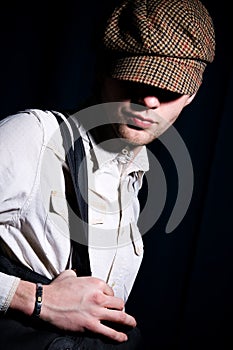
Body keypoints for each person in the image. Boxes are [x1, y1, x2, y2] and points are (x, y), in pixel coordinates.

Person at [0, 0, 215, 349]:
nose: (148, 102)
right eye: (135, 81)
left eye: (168, 89)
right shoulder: (34, 138)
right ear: (103, 69)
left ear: (192, 94)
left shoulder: (133, 180)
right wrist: (34, 299)